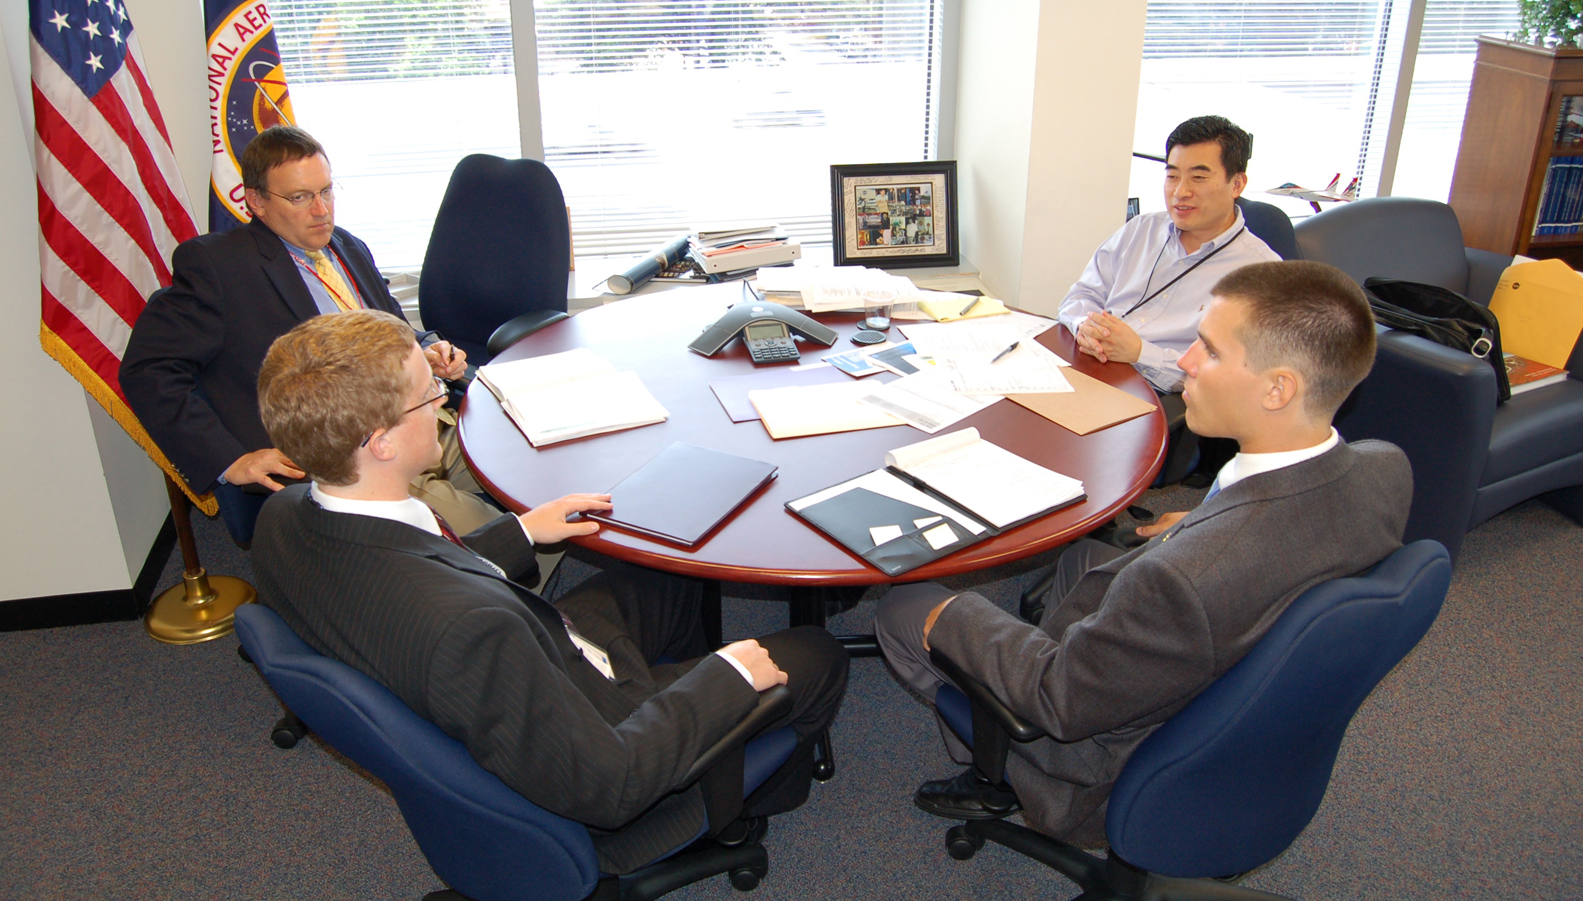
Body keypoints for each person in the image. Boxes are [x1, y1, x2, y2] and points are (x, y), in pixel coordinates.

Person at [249, 310, 849, 874]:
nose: (441, 395)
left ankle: (693, 712)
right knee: (818, 654)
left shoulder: (284, 515)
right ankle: (733, 803)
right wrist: (726, 679)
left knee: (669, 569)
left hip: (530, 658)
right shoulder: (471, 632)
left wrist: (520, 532)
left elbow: (404, 582)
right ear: (379, 440)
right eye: (427, 391)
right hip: (602, 749)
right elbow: (609, 786)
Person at [877, 259, 1412, 845]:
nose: (1183, 362)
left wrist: (947, 616)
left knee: (906, 605)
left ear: (1277, 388)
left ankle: (998, 768)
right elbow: (1265, 540)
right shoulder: (1386, 466)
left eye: (1207, 349)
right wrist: (1208, 520)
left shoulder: (1186, 582)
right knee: (1087, 556)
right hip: (1217, 654)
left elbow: (1062, 698)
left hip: (1102, 755)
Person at [120, 125, 497, 542]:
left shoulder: (347, 248)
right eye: (300, 197)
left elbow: (390, 325)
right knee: (496, 536)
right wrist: (229, 461)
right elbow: (147, 369)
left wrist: (425, 349)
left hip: (422, 417)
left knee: (526, 464)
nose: (322, 211)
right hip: (349, 461)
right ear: (257, 202)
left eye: (327, 191)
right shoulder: (218, 266)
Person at [1058, 115, 1280, 396]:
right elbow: (1080, 296)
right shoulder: (1141, 229)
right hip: (1087, 371)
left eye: (1198, 178)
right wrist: (1084, 326)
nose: (1180, 191)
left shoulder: (1262, 273)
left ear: (1237, 184)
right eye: (1172, 176)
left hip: (1157, 399)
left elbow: (1233, 377)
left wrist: (1139, 353)